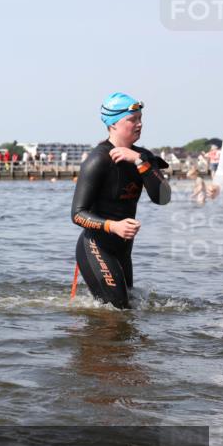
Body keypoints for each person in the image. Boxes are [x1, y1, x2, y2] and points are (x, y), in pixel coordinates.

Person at [71, 93, 170, 309]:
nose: (139, 124)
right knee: (118, 310)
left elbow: (163, 198)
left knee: (129, 309)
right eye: (132, 119)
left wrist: (138, 161)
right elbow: (77, 214)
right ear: (113, 124)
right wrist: (113, 226)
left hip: (123, 248)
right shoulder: (98, 160)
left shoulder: (143, 157)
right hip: (96, 245)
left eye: (140, 118)